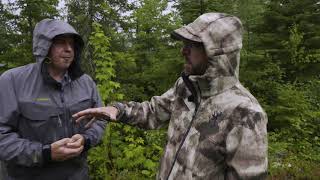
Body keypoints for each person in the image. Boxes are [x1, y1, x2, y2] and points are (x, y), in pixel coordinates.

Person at [74, 13, 268, 179]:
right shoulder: (186, 87)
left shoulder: (245, 113)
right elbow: (152, 112)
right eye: (185, 43)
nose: (183, 50)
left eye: (193, 45)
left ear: (218, 53)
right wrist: (118, 109)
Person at [0, 19, 106, 180]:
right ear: (44, 47)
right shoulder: (13, 81)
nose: (68, 49)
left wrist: (86, 139)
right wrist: (45, 153)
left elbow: (100, 119)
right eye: (61, 43)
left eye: (71, 44)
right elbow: (2, 137)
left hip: (77, 175)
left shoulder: (85, 82)